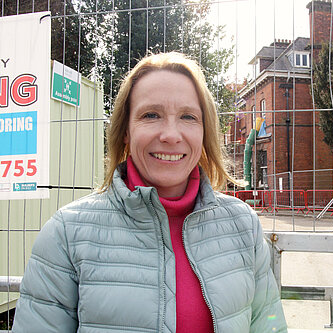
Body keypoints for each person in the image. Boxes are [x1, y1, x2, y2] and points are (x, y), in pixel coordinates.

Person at [13, 52, 288, 333]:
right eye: (151, 115)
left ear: (204, 133)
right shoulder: (66, 234)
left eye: (188, 116)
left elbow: (269, 324)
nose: (171, 134)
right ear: (125, 131)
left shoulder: (242, 225)